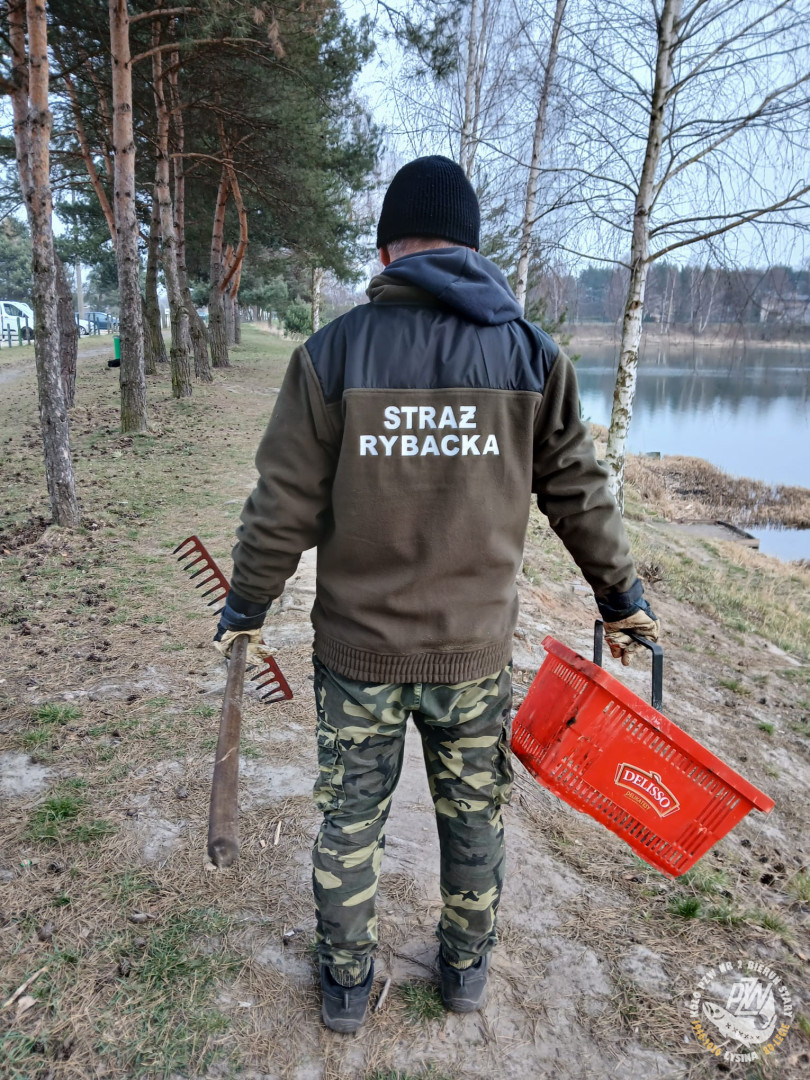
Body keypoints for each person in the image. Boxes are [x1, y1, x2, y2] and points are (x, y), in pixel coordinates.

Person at [214, 155, 659, 1033]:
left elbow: (281, 504)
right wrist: (622, 595)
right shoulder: (530, 354)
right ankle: (463, 975)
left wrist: (245, 609)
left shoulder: (333, 353)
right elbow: (580, 489)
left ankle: (345, 987)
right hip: (472, 657)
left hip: (359, 656)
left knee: (350, 821)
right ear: (472, 250)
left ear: (388, 250)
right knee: (474, 820)